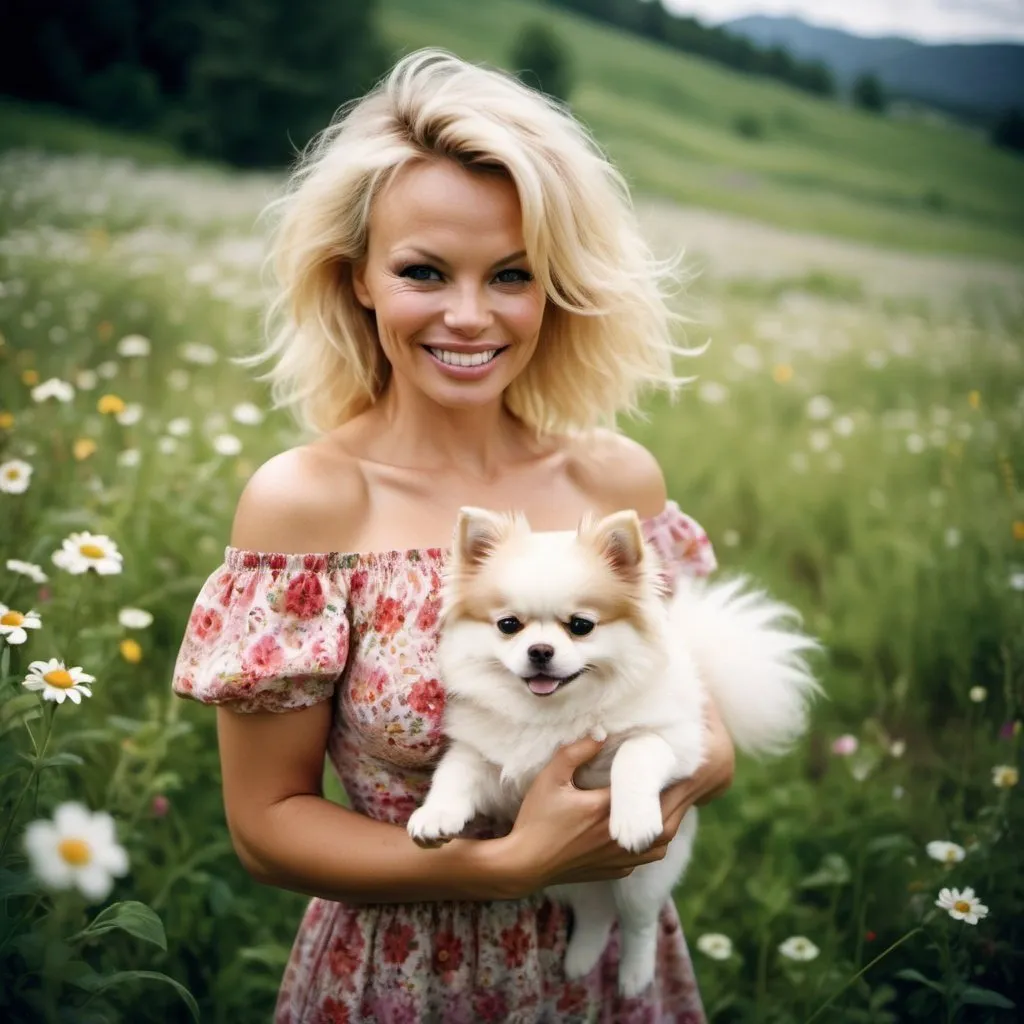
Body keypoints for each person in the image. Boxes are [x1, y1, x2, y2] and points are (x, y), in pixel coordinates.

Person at [171, 48, 736, 1024]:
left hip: (597, 969)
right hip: (400, 975)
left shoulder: (614, 482)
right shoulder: (307, 504)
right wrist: (508, 861)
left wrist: (681, 771)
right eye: (424, 271)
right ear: (358, 279)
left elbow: (703, 727)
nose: (468, 316)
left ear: (554, 287)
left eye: (511, 274)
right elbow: (264, 830)